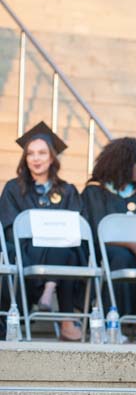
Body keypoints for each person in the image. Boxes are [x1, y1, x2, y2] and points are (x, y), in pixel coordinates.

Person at [0, 122, 85, 341]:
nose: (36, 159)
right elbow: (9, 228)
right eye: (31, 154)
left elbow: (75, 227)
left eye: (42, 153)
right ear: (25, 159)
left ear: (52, 157)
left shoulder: (67, 190)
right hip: (27, 250)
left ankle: (49, 287)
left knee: (68, 248)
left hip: (62, 248)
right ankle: (65, 318)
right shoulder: (13, 188)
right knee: (62, 250)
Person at [81, 137, 136, 318]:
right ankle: (114, 318)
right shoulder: (95, 192)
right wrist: (130, 245)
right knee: (121, 257)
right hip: (104, 250)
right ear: (123, 164)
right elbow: (97, 229)